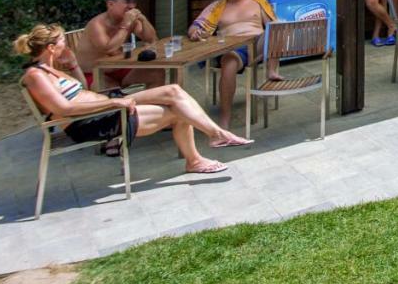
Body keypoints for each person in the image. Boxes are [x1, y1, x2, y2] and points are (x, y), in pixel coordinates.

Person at [19, 24, 249, 174]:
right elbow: (64, 108)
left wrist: (74, 66)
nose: (67, 45)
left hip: (103, 106)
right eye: (62, 42)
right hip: (91, 121)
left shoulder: (52, 70)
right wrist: (113, 102)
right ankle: (199, 156)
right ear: (51, 48)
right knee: (179, 113)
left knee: (173, 91)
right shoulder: (35, 76)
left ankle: (216, 135)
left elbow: (82, 91)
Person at [188, 0, 277, 130]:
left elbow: (271, 23)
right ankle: (225, 117)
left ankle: (271, 71)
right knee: (228, 62)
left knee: (274, 29)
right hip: (233, 48)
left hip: (257, 43)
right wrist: (195, 33)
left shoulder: (257, 1)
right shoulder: (216, 7)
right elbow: (195, 27)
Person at [79, 0, 165, 91]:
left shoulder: (130, 20)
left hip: (119, 69)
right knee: (113, 89)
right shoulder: (96, 25)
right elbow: (109, 49)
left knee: (157, 73)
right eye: (127, 2)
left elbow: (151, 39)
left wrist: (143, 20)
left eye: (134, 2)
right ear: (110, 4)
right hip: (93, 73)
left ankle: (150, 102)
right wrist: (125, 25)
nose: (132, 6)